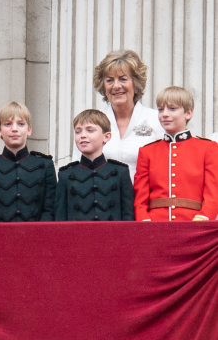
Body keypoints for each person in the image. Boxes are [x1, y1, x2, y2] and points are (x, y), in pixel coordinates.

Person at [133, 87, 218, 221]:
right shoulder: (147, 151)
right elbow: (140, 197)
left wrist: (204, 217)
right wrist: (144, 220)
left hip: (194, 223)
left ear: (188, 113)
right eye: (161, 109)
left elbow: (213, 191)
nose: (164, 114)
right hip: (155, 225)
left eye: (172, 109)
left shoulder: (208, 147)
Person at [0, 102, 57, 222]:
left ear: (29, 130)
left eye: (21, 124)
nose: (14, 129)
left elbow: (51, 210)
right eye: (8, 124)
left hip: (36, 238)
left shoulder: (45, 165)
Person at [83, 50, 161, 178]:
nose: (116, 86)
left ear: (135, 83)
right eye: (109, 80)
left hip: (142, 196)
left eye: (123, 79)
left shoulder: (156, 120)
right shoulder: (92, 122)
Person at [55, 109, 133, 221]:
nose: (82, 135)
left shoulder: (120, 172)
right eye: (78, 131)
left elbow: (128, 215)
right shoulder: (66, 174)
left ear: (106, 137)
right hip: (76, 237)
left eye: (90, 130)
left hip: (113, 237)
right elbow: (60, 217)